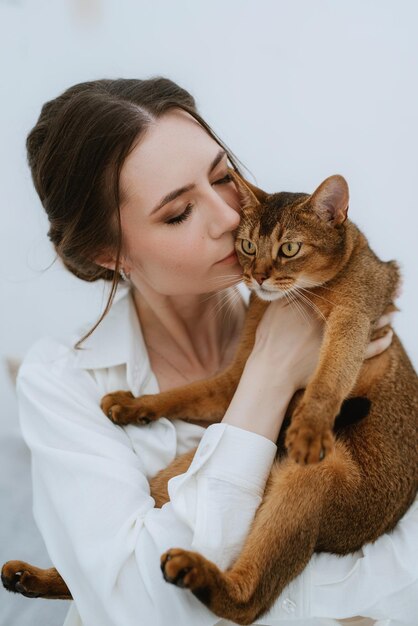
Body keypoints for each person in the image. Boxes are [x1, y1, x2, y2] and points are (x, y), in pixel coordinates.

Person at [16, 77, 417, 626]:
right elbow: (141, 608)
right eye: (179, 212)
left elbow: (402, 570)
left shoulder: (332, 310)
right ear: (110, 253)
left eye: (223, 177)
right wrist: (270, 378)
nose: (231, 219)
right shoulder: (59, 384)